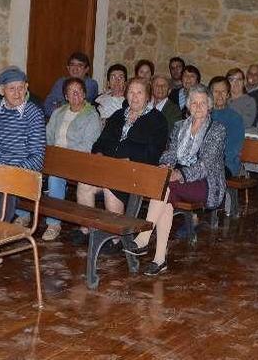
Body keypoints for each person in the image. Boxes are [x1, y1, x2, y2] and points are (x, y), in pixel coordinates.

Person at [126, 85, 226, 276]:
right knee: (166, 194)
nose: (198, 107)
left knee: (166, 185)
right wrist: (165, 166)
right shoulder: (180, 126)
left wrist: (178, 175)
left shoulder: (217, 130)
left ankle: (144, 236)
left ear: (209, 106)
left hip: (205, 182)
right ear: (188, 106)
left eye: (202, 103)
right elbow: (169, 153)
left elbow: (206, 165)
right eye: (194, 102)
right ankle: (159, 260)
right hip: (176, 181)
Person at [74, 77, 168, 242]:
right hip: (109, 167)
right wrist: (99, 154)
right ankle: (86, 230)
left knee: (111, 188)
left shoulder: (157, 120)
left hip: (137, 171)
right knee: (84, 185)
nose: (135, 96)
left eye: (140, 93)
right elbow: (100, 142)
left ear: (147, 96)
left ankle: (115, 239)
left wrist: (130, 158)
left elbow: (153, 153)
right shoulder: (118, 115)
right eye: (131, 92)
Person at [0, 66, 46, 264]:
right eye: (12, 88)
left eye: (21, 88)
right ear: (1, 90)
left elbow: (36, 159)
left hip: (23, 173)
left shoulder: (34, 114)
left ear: (27, 87)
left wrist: (2, 172)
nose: (17, 93)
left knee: (6, 188)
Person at [30, 77, 101, 241]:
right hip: (54, 158)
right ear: (66, 96)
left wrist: (63, 155)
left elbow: (89, 146)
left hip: (76, 161)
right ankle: (23, 215)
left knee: (55, 177)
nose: (76, 94)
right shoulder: (58, 112)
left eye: (79, 91)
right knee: (27, 169)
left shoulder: (91, 116)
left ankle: (53, 224)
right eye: (71, 91)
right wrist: (45, 152)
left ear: (84, 95)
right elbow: (47, 136)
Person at [209, 76, 245, 178]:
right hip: (204, 162)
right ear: (210, 94)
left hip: (227, 164)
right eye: (216, 91)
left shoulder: (235, 118)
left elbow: (233, 149)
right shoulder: (204, 115)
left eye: (223, 91)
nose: (220, 95)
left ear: (228, 94)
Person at [43, 52, 99, 117]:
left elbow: (77, 107)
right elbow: (47, 106)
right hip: (57, 120)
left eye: (80, 65)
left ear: (86, 69)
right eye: (72, 64)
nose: (75, 68)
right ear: (68, 68)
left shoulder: (91, 84)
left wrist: (59, 105)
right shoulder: (60, 82)